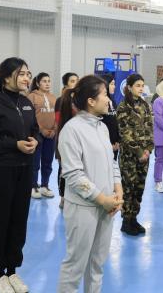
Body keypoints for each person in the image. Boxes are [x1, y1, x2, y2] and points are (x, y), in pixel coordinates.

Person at [0, 58, 39, 293]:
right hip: (0, 170)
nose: (26, 78)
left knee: (18, 220)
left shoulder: (26, 102)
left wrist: (35, 141)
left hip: (24, 170)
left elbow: (35, 131)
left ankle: (12, 269)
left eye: (28, 74)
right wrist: (15, 145)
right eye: (21, 74)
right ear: (6, 77)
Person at [57, 75, 123, 293]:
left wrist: (118, 191)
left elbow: (111, 162)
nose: (109, 99)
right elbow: (74, 175)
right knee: (75, 265)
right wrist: (102, 199)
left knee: (97, 264)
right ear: (91, 101)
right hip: (83, 208)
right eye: (105, 94)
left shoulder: (102, 127)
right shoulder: (72, 130)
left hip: (106, 206)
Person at [117, 73, 154, 236]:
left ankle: (134, 218)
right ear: (129, 87)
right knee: (128, 188)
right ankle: (126, 220)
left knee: (139, 187)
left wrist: (148, 149)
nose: (141, 88)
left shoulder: (145, 105)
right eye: (137, 85)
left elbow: (150, 128)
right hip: (129, 157)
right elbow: (125, 133)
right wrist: (139, 151)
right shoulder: (123, 107)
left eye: (142, 85)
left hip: (144, 156)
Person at [28, 73, 57, 199]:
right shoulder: (32, 97)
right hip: (37, 135)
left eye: (49, 81)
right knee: (35, 163)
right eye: (44, 81)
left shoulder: (53, 97)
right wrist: (42, 130)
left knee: (48, 161)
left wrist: (54, 129)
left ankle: (45, 185)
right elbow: (30, 117)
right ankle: (33, 186)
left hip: (51, 135)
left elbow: (57, 116)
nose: (47, 83)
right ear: (38, 83)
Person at [55, 72, 79, 208]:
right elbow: (59, 122)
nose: (76, 83)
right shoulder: (61, 100)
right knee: (64, 169)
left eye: (77, 80)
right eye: (72, 81)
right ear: (66, 84)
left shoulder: (80, 100)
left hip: (78, 140)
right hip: (64, 139)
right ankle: (63, 196)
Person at [100, 75, 120, 160]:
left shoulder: (113, 101)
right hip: (104, 144)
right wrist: (108, 144)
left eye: (114, 84)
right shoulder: (100, 101)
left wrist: (118, 141)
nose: (114, 86)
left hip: (115, 143)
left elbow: (115, 122)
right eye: (111, 84)